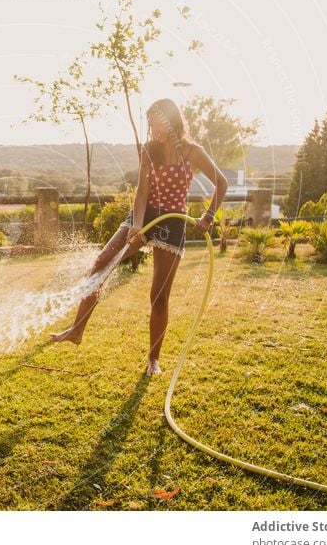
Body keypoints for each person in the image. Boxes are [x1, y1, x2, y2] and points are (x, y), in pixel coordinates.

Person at [50, 98, 228, 375]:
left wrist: (208, 216)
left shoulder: (192, 152)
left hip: (172, 223)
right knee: (102, 262)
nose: (153, 131)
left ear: (171, 123)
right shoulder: (149, 150)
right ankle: (77, 330)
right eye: (151, 125)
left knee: (158, 296)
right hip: (144, 216)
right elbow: (142, 192)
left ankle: (153, 360)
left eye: (157, 125)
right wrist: (136, 227)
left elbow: (222, 182)